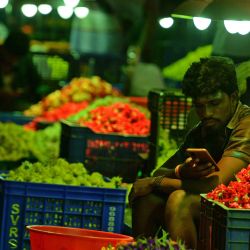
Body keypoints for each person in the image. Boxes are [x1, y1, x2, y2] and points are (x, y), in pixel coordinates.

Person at [129, 56, 250, 249]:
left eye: (214, 103)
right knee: (145, 198)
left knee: (180, 201)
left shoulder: (246, 124)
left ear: (234, 97)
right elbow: (160, 173)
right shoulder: (203, 127)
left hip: (240, 212)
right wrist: (179, 172)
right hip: (214, 205)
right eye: (200, 105)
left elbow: (215, 184)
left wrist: (158, 182)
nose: (207, 112)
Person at [0, 29, 41, 111]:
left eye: (17, 58)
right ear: (4, 49)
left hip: (17, 103)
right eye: (11, 56)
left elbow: (35, 83)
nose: (13, 61)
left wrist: (21, 92)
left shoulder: (25, 60)